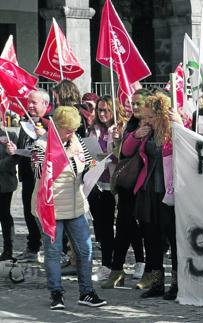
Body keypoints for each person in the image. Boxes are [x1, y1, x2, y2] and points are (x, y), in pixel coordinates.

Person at [31, 106, 106, 310]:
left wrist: (93, 167)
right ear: (56, 127)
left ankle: (87, 292)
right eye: (67, 129)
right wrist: (53, 155)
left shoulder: (77, 142)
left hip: (76, 204)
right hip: (51, 208)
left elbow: (85, 165)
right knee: (54, 252)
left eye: (74, 129)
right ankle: (56, 293)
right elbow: (37, 172)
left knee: (85, 250)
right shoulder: (40, 144)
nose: (71, 133)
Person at [122, 93, 180, 299]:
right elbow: (127, 151)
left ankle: (176, 283)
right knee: (151, 239)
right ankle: (156, 284)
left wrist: (179, 126)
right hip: (147, 191)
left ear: (160, 115)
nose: (145, 120)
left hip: (169, 192)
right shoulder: (145, 132)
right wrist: (135, 135)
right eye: (143, 116)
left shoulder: (173, 131)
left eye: (149, 117)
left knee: (173, 239)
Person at [102, 89, 148, 289]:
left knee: (146, 228)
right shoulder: (131, 125)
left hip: (146, 184)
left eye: (140, 103)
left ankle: (149, 269)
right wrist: (127, 137)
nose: (135, 107)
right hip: (128, 184)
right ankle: (116, 269)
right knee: (122, 226)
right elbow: (125, 152)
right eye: (133, 103)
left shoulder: (156, 124)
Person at [87, 95, 127, 282]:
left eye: (106, 110)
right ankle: (105, 263)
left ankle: (113, 264)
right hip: (96, 181)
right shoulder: (93, 130)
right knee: (101, 226)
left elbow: (123, 155)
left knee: (118, 226)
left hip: (113, 182)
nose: (102, 114)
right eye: (99, 110)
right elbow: (89, 154)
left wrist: (113, 149)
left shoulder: (119, 129)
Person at [14, 89, 51, 262]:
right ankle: (33, 247)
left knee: (48, 214)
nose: (29, 105)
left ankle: (58, 249)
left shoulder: (52, 121)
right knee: (29, 212)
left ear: (45, 103)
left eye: (33, 102)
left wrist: (45, 135)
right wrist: (14, 150)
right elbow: (23, 144)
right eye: (29, 102)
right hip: (28, 174)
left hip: (46, 176)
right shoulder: (24, 120)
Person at [0, 130, 18, 261]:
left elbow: (16, 158)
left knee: (4, 215)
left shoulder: (10, 135)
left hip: (4, 183)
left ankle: (8, 250)